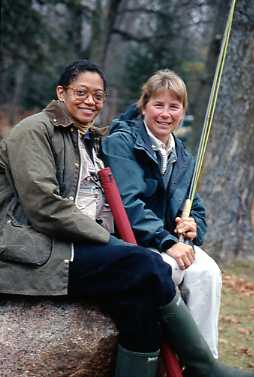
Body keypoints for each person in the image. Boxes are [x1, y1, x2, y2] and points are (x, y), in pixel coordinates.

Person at [0, 60, 252, 377]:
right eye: (81, 92)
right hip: (38, 249)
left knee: (141, 303)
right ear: (61, 92)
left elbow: (127, 130)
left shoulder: (89, 137)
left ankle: (196, 366)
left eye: (98, 95)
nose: (90, 101)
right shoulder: (34, 130)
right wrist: (113, 243)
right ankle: (203, 367)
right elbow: (44, 207)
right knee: (148, 264)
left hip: (74, 244)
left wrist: (192, 226)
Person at [102, 69, 221, 359]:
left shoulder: (183, 155)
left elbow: (196, 206)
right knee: (169, 270)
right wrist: (167, 241)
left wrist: (195, 227)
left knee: (208, 273)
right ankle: (158, 358)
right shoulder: (122, 142)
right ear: (144, 106)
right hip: (137, 241)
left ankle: (203, 362)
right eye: (158, 104)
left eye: (174, 106)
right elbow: (128, 203)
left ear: (183, 111)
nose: (165, 114)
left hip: (171, 241)